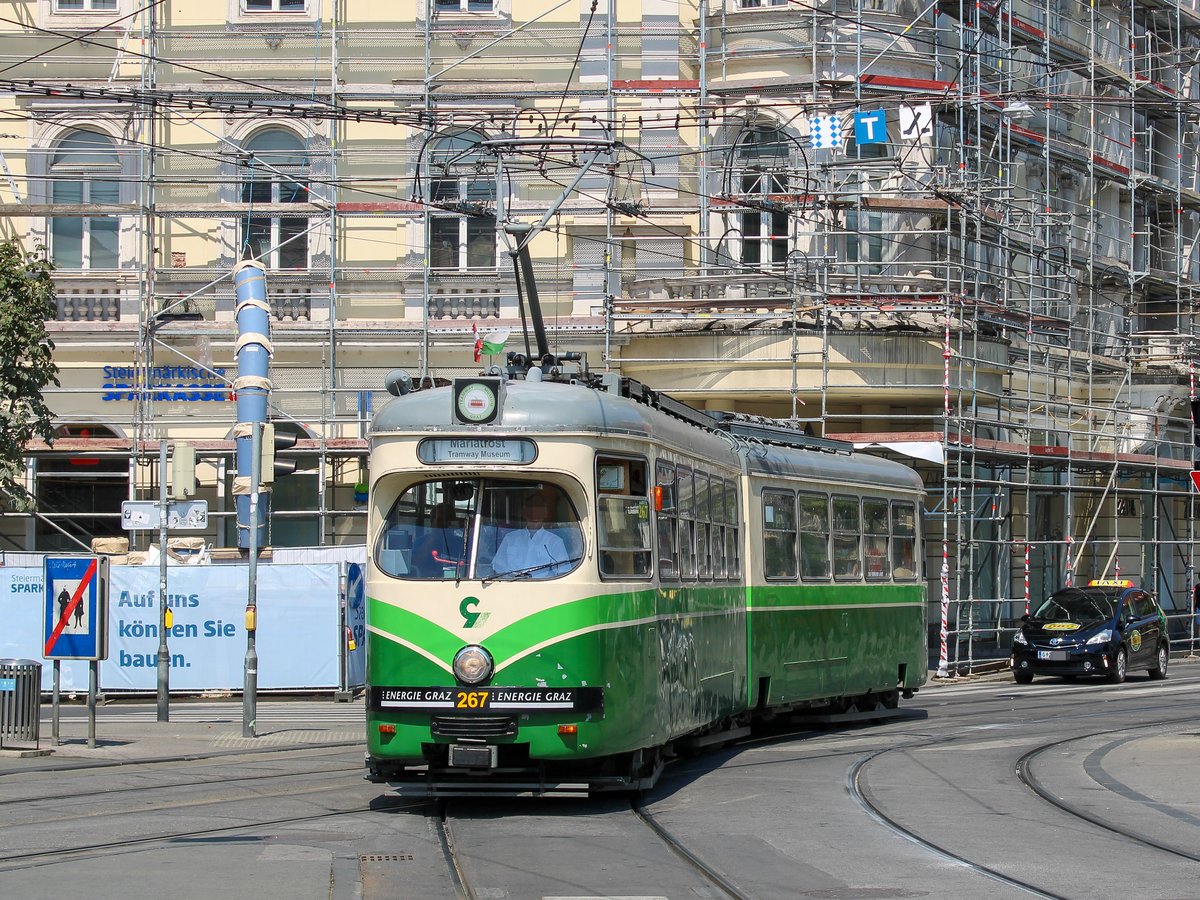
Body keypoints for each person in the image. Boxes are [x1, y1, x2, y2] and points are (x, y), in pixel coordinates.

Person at [490, 493, 569, 578]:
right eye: (530, 510)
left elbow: (563, 572)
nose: (534, 515)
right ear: (524, 512)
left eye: (538, 511)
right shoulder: (510, 538)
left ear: (545, 513)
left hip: (543, 588)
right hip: (512, 587)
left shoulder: (555, 541)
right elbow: (498, 568)